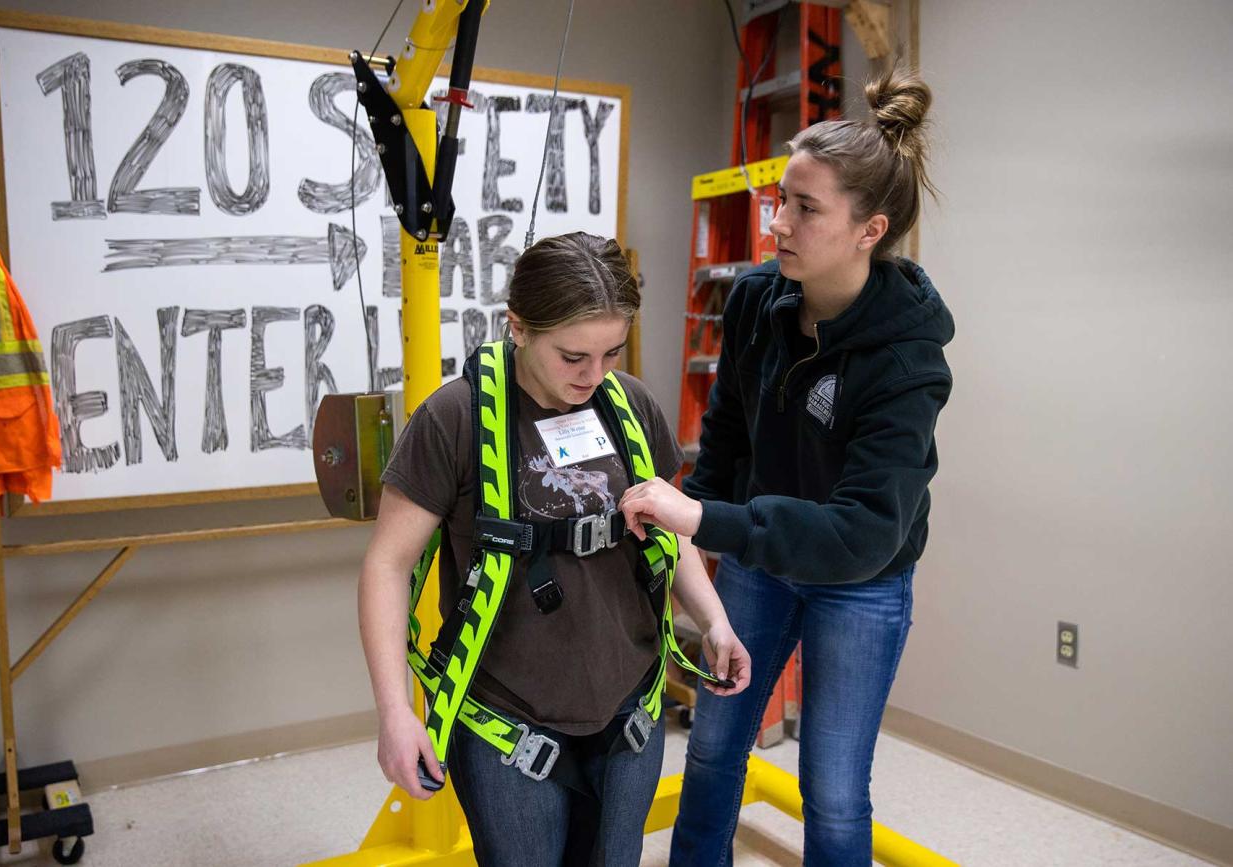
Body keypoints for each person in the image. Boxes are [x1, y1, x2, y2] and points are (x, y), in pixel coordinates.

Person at [618, 66, 953, 866]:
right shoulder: (756, 300)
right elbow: (728, 435)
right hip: (760, 565)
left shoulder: (908, 360)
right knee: (711, 749)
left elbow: (865, 529)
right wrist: (683, 517)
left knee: (833, 791)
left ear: (869, 230)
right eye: (780, 199)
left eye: (805, 208)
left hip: (862, 580)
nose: (779, 221)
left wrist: (705, 518)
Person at [358, 231, 752, 866]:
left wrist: (715, 619)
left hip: (631, 710)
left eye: (611, 353)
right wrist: (395, 711)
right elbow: (386, 565)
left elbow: (665, 534)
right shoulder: (454, 420)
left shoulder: (631, 408)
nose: (593, 376)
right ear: (518, 328)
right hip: (506, 722)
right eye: (573, 356)